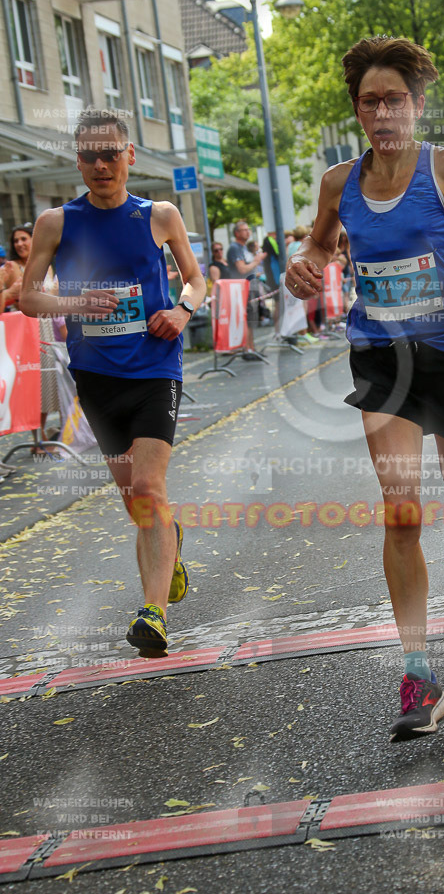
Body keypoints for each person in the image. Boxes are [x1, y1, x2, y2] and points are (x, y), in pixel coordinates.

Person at [286, 36, 444, 743]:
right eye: (370, 101)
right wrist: (305, 264)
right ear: (357, 110)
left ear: (417, 105)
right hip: (382, 358)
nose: (382, 112)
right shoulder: (338, 182)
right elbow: (320, 244)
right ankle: (419, 675)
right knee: (400, 511)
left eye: (394, 99)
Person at [19, 107, 206, 658]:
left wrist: (181, 311)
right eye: (90, 156)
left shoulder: (160, 215)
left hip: (155, 369)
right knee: (137, 503)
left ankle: (154, 613)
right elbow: (28, 298)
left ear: (129, 156)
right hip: (96, 377)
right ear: (78, 162)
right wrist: (75, 303)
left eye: (110, 154)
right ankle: (169, 540)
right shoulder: (56, 222)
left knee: (148, 487)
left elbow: (196, 280)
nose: (101, 165)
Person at [1, 223, 62, 443]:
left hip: (48, 328)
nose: (19, 244)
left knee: (48, 379)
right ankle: (38, 437)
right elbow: (9, 299)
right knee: (32, 381)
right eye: (16, 241)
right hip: (25, 330)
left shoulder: (46, 265)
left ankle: (49, 432)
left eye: (24, 239)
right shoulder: (12, 268)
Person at [227, 221, 266, 359]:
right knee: (246, 319)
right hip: (242, 288)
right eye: (244, 230)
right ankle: (247, 349)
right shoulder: (235, 248)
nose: (247, 232)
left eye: (248, 229)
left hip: (250, 287)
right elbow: (242, 269)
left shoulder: (243, 248)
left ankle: (251, 348)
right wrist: (256, 261)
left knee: (251, 319)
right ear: (236, 233)